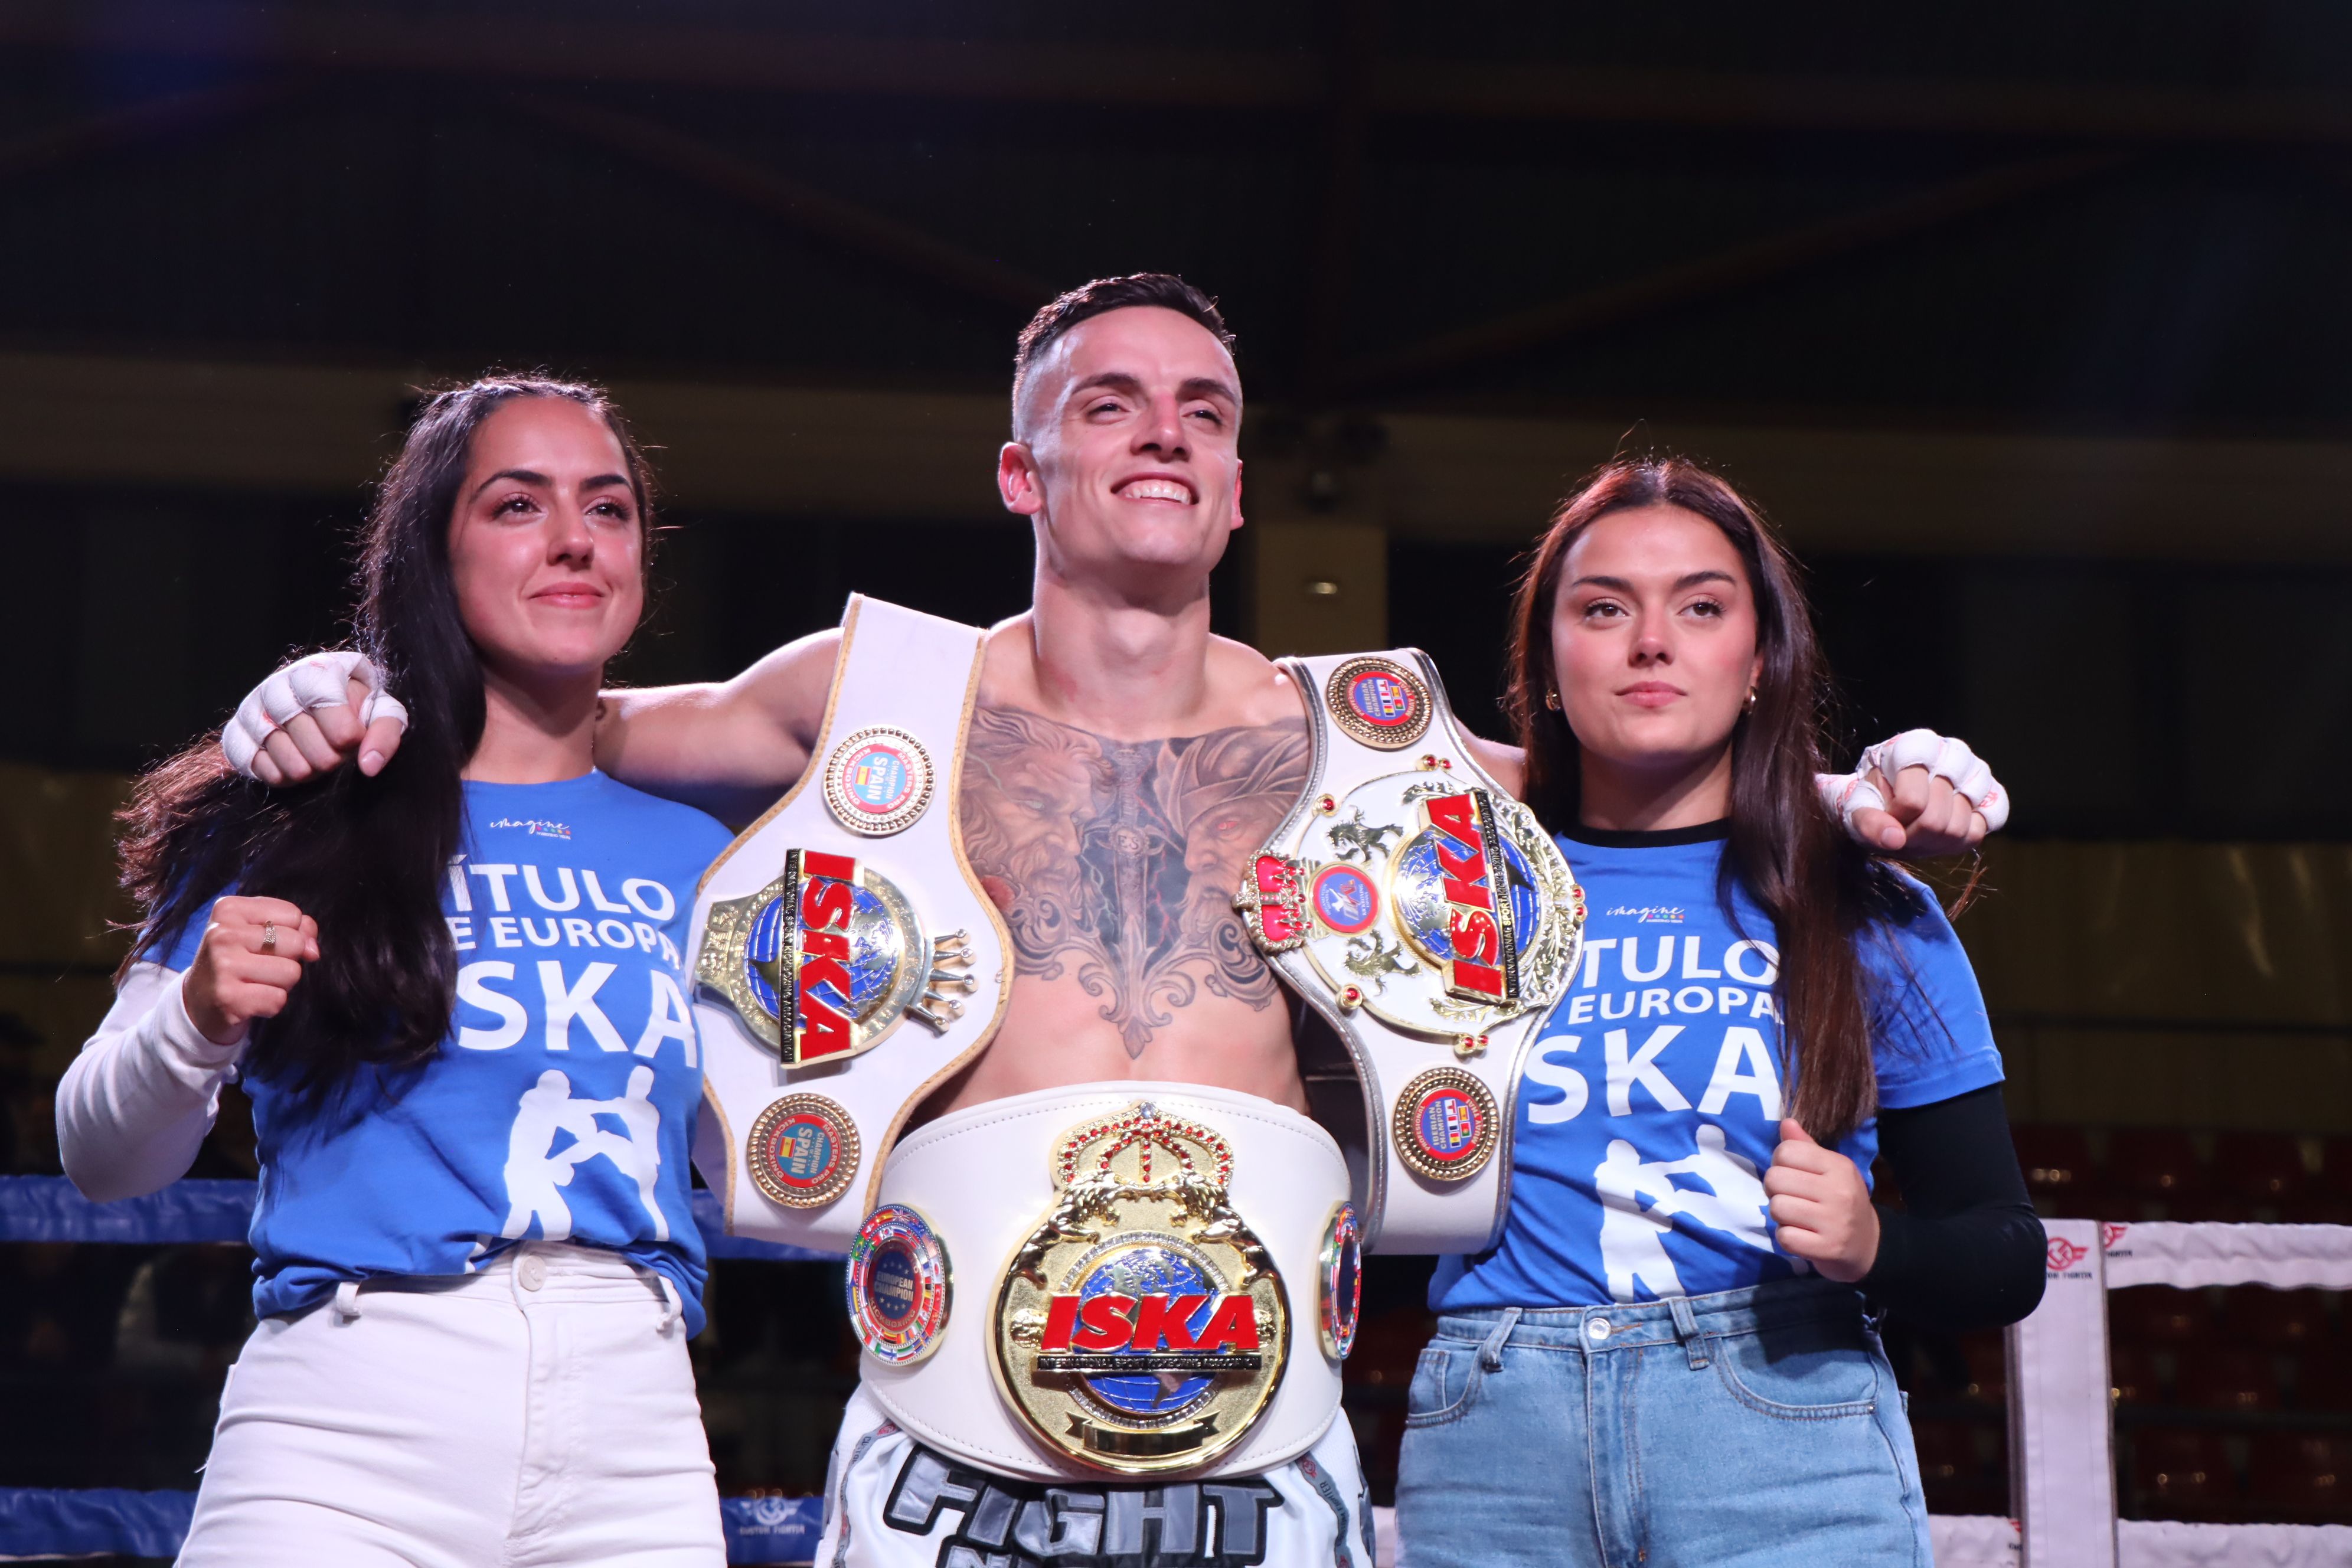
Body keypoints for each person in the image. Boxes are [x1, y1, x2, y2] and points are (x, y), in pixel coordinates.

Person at [220, 277, 2006, 1567]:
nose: (1164, 433)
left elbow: (1638, 754)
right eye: (1110, 404)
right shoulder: (870, 688)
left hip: (1264, 1433)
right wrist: (331, 689)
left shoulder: (1363, 733)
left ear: (1235, 489)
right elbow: (554, 716)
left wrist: (1867, 795)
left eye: (1204, 413)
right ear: (1024, 475)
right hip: (941, 1432)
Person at [58, 378, 736, 1567]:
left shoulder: (709, 857)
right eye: (518, 505)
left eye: (610, 507)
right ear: (434, 547)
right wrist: (197, 1018)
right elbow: (102, 1157)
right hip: (342, 1438)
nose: (575, 538)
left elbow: (772, 1168)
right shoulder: (299, 812)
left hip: (638, 1437)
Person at [1391, 458, 2046, 1568]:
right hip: (1498, 1432)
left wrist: (1874, 1244)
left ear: (1758, 661)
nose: (1653, 643)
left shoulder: (1868, 903)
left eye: (1701, 607)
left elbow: (2005, 1252)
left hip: (1784, 1429)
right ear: (1550, 659)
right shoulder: (1445, 896)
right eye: (1605, 609)